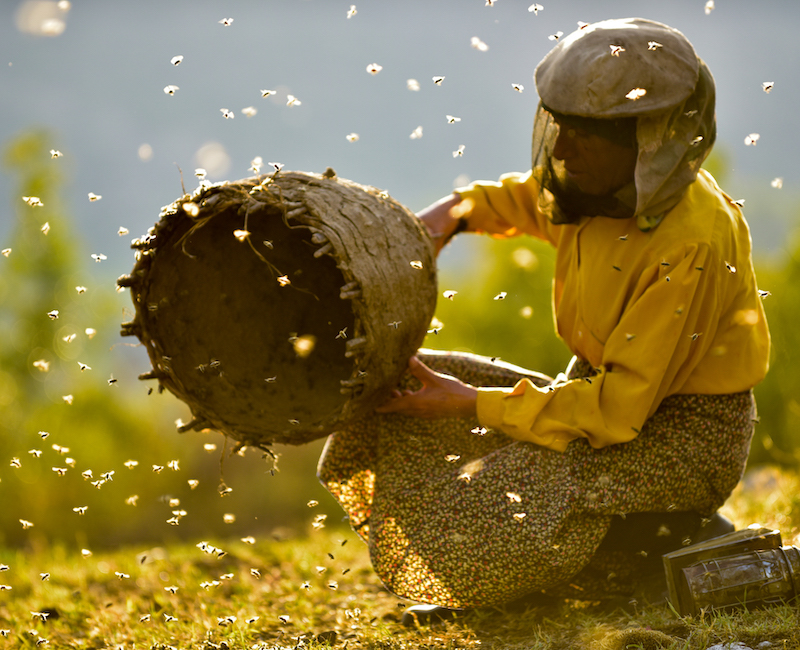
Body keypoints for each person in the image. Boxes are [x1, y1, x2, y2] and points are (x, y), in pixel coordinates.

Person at [317, 17, 770, 620]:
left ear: (650, 135)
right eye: (561, 125)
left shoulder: (690, 244)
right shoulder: (599, 187)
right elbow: (528, 199)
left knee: (505, 489)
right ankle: (625, 547)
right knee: (409, 391)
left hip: (683, 440)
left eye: (585, 133)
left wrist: (466, 405)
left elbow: (615, 412)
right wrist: (451, 215)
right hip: (600, 401)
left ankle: (665, 539)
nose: (560, 149)